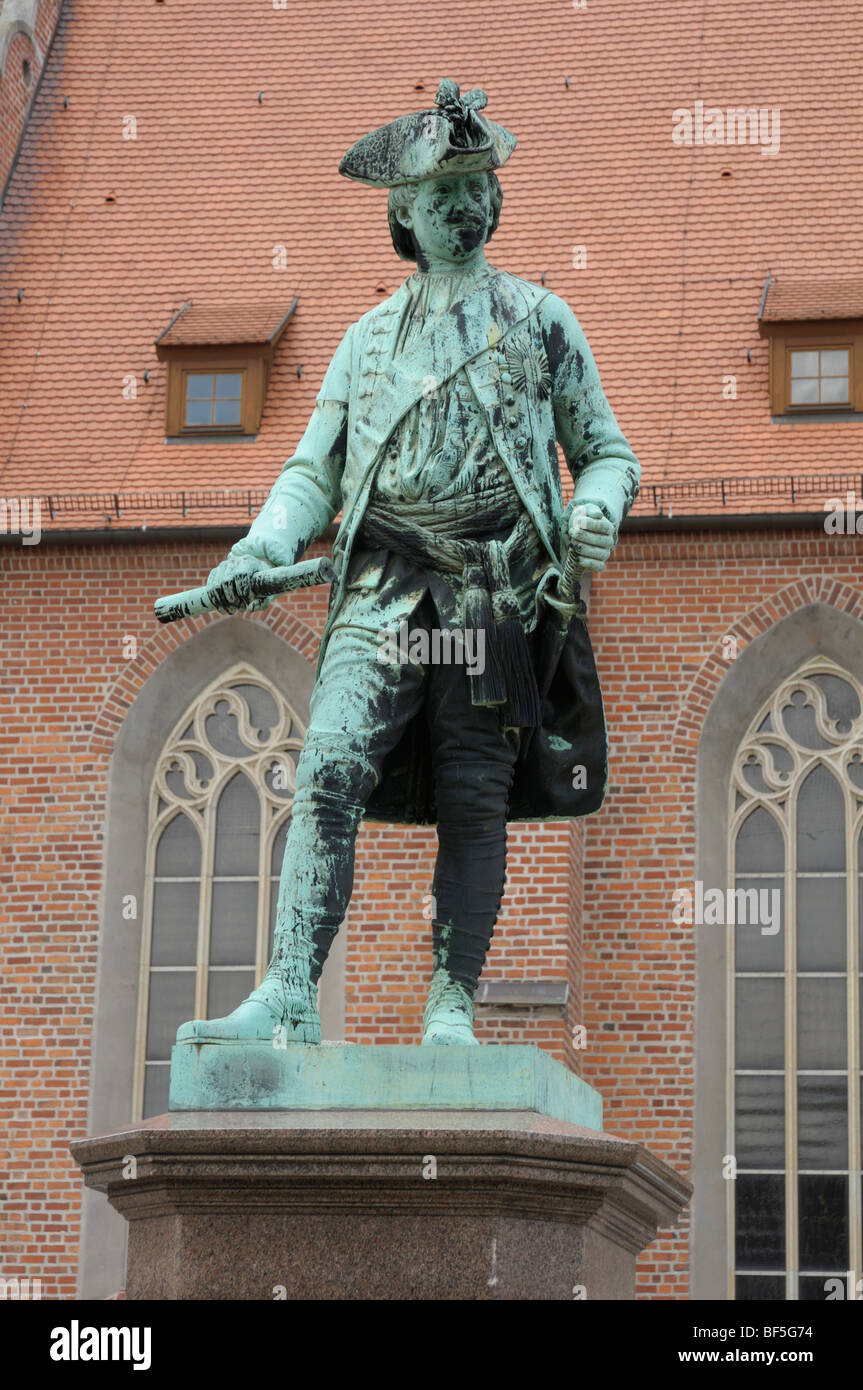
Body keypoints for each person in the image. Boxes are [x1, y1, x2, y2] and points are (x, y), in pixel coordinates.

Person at [172, 79, 640, 1047]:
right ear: (403, 213)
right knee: (331, 766)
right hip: (381, 581)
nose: (461, 209)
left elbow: (606, 450)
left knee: (475, 793)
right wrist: (262, 543)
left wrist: (594, 507)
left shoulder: (541, 321)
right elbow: (314, 470)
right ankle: (291, 991)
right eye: (440, 195)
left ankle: (452, 1003)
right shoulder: (363, 340)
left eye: (475, 188)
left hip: (489, 587)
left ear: (495, 202)